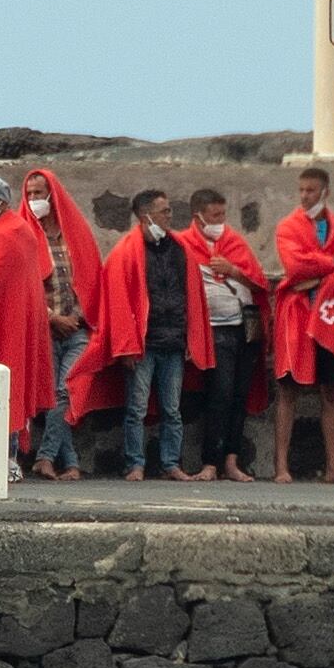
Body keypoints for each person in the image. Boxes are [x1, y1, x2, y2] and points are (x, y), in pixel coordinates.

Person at [68, 190, 218, 480]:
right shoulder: (125, 252)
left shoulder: (179, 249)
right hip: (143, 346)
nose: (170, 216)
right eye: (164, 211)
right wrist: (126, 347)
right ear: (145, 215)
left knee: (172, 409)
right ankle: (134, 463)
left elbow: (190, 296)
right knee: (135, 408)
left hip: (173, 342)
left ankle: (170, 463)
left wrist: (191, 337)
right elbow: (118, 302)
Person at [268, 166, 334, 485]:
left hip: (332, 321)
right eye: (302, 190)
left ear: (325, 192)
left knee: (332, 392)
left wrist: (317, 272)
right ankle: (281, 466)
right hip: (297, 317)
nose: (305, 196)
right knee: (288, 390)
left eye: (311, 190)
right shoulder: (287, 226)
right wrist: (332, 264)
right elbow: (294, 265)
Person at [182, 188, 270, 482]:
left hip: (244, 327)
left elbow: (258, 283)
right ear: (199, 217)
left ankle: (231, 461)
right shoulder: (183, 245)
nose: (221, 221)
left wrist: (232, 270)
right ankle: (210, 462)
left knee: (238, 394)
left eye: (223, 214)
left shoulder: (233, 242)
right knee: (218, 394)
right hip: (213, 329)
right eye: (215, 216)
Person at [20, 169, 98, 479]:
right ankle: (70, 462)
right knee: (56, 394)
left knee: (65, 390)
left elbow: (90, 276)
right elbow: (22, 286)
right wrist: (53, 318)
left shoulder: (73, 233)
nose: (34, 199)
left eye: (39, 193)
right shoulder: (24, 234)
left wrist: (80, 316)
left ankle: (46, 457)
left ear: (54, 195)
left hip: (77, 328)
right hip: (45, 329)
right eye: (30, 194)